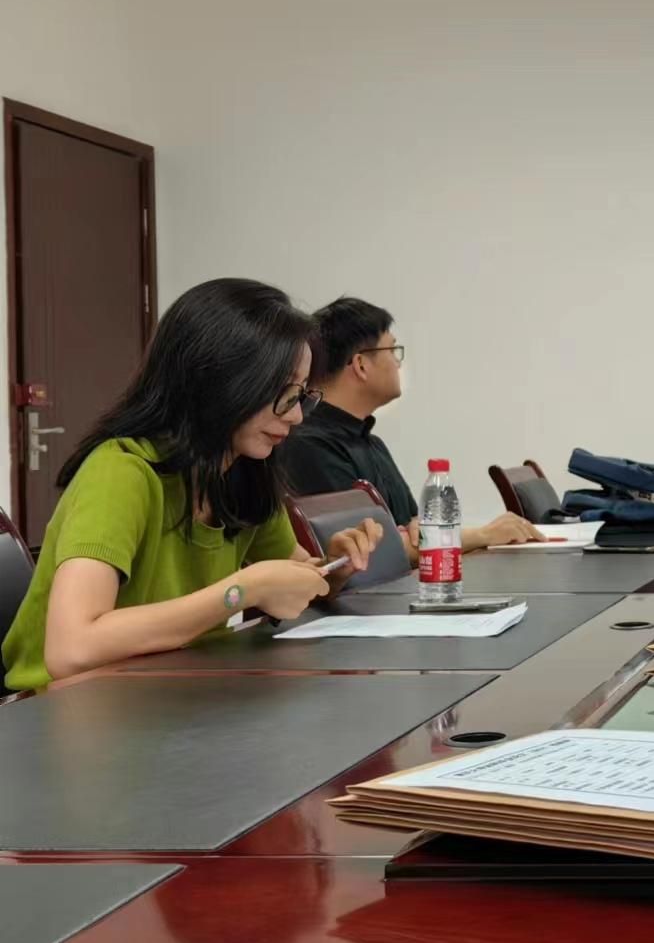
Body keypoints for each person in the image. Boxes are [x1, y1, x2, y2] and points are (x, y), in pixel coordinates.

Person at [1, 280, 382, 692]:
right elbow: (71, 649)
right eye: (283, 393)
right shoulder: (122, 471)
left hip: (171, 692)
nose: (296, 416)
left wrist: (332, 570)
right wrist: (243, 590)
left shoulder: (245, 471)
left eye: (301, 395)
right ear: (216, 381)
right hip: (64, 706)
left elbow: (290, 580)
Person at [281, 298, 540, 553]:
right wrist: (483, 534)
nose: (398, 362)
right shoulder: (309, 446)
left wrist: (421, 530)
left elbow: (416, 529)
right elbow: (374, 554)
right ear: (361, 365)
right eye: (392, 350)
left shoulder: (372, 444)